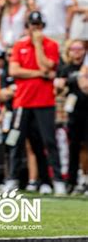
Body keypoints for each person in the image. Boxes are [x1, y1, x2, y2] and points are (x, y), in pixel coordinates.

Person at [5, 11, 66, 196]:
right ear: (28, 26)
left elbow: (48, 66)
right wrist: (39, 74)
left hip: (44, 101)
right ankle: (12, 179)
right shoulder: (19, 45)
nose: (35, 28)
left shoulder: (51, 45)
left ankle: (55, 181)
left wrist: (38, 45)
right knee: (16, 141)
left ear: (42, 26)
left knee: (48, 142)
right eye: (32, 25)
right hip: (22, 102)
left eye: (38, 25)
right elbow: (14, 70)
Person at [56, 40, 88, 194]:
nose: (76, 52)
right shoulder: (66, 69)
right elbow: (59, 90)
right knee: (73, 146)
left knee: (86, 145)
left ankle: (85, 178)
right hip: (74, 112)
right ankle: (72, 180)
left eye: (80, 49)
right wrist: (60, 85)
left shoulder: (85, 68)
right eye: (73, 49)